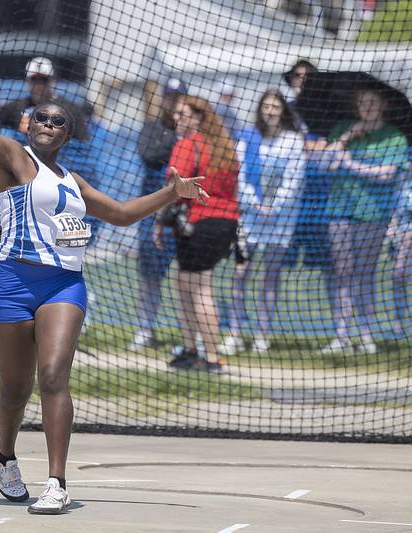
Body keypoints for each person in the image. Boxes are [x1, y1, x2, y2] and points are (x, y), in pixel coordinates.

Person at [0, 78, 208, 514]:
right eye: (42, 118)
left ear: (68, 134)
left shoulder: (73, 181)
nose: (48, 123)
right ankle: (6, 457)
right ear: (29, 125)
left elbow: (123, 214)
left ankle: (57, 482)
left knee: (53, 376)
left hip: (64, 284)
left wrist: (172, 192)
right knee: (14, 391)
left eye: (58, 121)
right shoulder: (14, 156)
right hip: (13, 281)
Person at [319, 84, 409, 355]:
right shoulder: (342, 129)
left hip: (373, 213)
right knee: (342, 271)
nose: (367, 107)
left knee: (365, 272)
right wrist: (347, 137)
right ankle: (342, 335)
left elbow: (387, 174)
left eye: (372, 102)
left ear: (383, 105)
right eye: (362, 103)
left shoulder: (394, 137)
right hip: (339, 210)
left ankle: (366, 333)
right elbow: (324, 163)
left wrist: (350, 165)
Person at [154, 95, 239, 372]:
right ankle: (192, 349)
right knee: (186, 284)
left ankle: (211, 356)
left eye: (184, 114)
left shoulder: (188, 145)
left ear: (200, 117)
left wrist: (157, 222)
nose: (178, 119)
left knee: (200, 289)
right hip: (226, 224)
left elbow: (174, 187)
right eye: (177, 114)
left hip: (198, 222)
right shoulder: (223, 146)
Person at [218, 90, 305, 356]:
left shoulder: (292, 141)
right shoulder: (248, 138)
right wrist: (256, 204)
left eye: (275, 106)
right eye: (266, 106)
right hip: (250, 219)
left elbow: (294, 178)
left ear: (283, 110)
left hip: (280, 220)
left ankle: (262, 333)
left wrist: (275, 205)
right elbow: (240, 174)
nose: (270, 110)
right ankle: (235, 332)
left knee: (271, 275)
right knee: (240, 272)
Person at [129, 77, 187, 350]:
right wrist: (176, 144)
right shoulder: (153, 127)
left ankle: (188, 332)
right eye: (170, 97)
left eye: (178, 97)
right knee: (149, 273)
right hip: (153, 208)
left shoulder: (192, 130)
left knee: (186, 274)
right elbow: (148, 153)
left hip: (185, 209)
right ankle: (145, 328)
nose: (173, 102)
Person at [0, 56, 92, 141]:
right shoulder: (18, 106)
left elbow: (84, 141)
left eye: (44, 79)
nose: (39, 84)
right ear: (27, 81)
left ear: (53, 81)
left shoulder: (69, 109)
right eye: (34, 79)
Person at [389, 175, 412, 339]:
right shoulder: (401, 179)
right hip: (399, 232)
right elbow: (393, 207)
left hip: (407, 233)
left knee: (399, 272)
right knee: (398, 276)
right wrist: (392, 228)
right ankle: (399, 325)